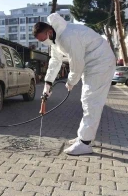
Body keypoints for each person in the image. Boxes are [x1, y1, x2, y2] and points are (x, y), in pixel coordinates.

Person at [33, 13, 115, 155]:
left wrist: (71, 82)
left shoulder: (67, 36)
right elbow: (55, 61)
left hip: (100, 63)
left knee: (91, 101)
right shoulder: (56, 39)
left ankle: (85, 143)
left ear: (49, 32)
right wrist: (47, 84)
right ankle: (85, 137)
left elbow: (76, 63)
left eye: (43, 39)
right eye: (41, 41)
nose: (43, 42)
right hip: (92, 64)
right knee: (87, 101)